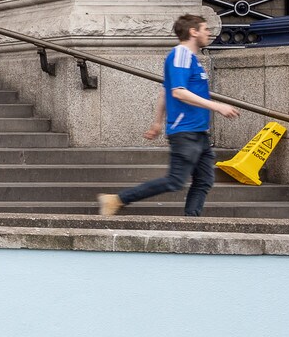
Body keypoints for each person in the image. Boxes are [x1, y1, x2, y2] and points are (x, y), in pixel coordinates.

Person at [99, 14, 238, 218]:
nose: (209, 33)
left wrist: (157, 123)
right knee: (175, 181)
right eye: (205, 29)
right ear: (193, 32)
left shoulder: (190, 59)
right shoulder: (181, 55)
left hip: (198, 131)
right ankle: (117, 199)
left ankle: (192, 223)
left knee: (204, 180)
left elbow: (165, 91)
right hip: (185, 132)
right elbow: (178, 92)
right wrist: (217, 106)